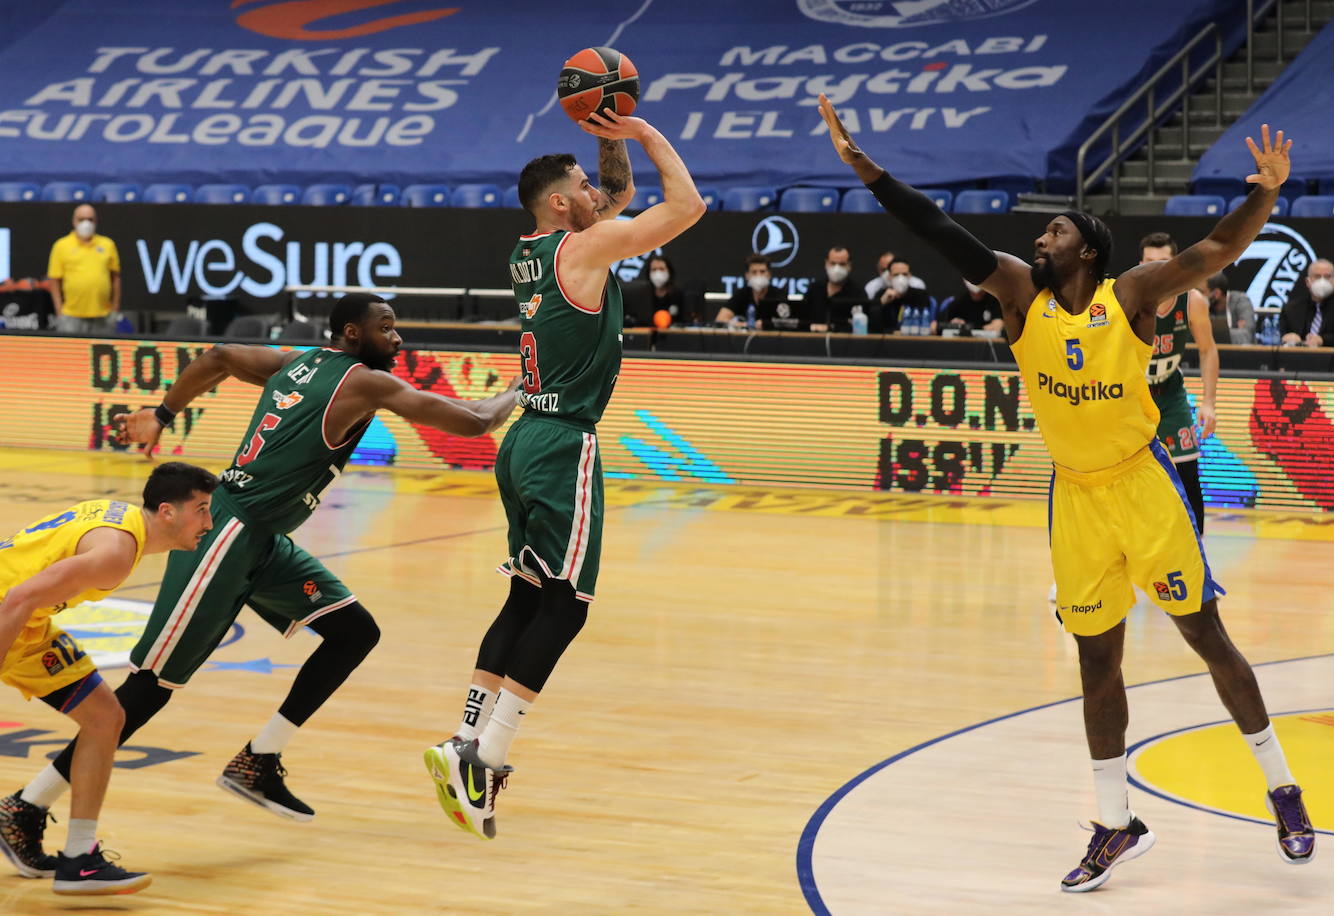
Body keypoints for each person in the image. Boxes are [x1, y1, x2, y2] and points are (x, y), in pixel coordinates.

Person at [819, 98, 1314, 891]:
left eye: (1052, 233)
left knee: (1206, 637)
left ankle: (1283, 789)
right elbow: (941, 232)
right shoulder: (1021, 295)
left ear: (1086, 247)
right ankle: (1115, 824)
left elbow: (1217, 246)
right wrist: (868, 172)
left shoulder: (1132, 296)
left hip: (1143, 485)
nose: (1036, 240)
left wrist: (1265, 193)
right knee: (1096, 663)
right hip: (1075, 498)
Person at [0, 293, 520, 874]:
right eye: (386, 327)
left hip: (264, 537)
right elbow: (475, 421)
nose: (397, 338)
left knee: (353, 632)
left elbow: (220, 354)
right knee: (149, 690)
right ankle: (25, 807)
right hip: (224, 533)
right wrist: (527, 386)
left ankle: (260, 759)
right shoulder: (363, 382)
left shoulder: (294, 362)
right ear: (353, 333)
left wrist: (164, 413)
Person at [422, 110, 703, 841]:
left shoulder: (533, 250)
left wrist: (604, 130)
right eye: (582, 185)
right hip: (563, 443)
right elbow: (687, 206)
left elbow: (613, 192)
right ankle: (487, 757)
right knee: (567, 606)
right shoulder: (586, 246)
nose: (599, 192)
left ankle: (463, 740)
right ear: (560, 203)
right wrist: (641, 130)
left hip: (524, 437)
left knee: (525, 596)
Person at [0, 462, 217, 896]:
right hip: (11, 613)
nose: (209, 523)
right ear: (168, 512)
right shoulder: (116, 555)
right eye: (202, 509)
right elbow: (19, 595)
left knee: (105, 718)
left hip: (29, 624)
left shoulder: (122, 520)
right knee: (105, 719)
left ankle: (79, 858)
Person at [1139, 233, 1218, 533]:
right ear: (1140, 265)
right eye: (1150, 263)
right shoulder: (1128, 298)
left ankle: (1197, 556)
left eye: (1163, 262)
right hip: (1133, 396)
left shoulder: (1192, 300)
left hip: (1170, 392)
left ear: (1175, 263)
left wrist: (1209, 402)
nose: (1157, 269)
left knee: (1188, 472)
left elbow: (1208, 349)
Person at [47, 204, 121, 335]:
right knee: (70, 354)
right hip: (71, 315)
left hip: (103, 315)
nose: (86, 223)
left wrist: (115, 308)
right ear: (74, 221)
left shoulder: (107, 244)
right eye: (81, 219)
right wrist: (59, 310)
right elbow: (54, 280)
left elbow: (115, 277)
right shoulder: (61, 245)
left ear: (96, 222)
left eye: (90, 219)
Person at [1279, 259, 1334, 347]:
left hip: (1333, 357)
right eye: (1317, 276)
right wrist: (1288, 338)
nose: (1322, 281)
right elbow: (1281, 335)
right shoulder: (1291, 309)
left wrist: (1322, 340)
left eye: (1327, 277)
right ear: (1308, 281)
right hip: (1298, 357)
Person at [716, 254, 794, 330]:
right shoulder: (741, 294)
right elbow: (720, 319)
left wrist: (765, 324)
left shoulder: (779, 294)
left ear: (769, 274)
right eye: (754, 272)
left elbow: (786, 322)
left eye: (762, 271)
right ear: (747, 275)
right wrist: (747, 325)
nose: (758, 275)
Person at [802, 246, 867, 332]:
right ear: (826, 263)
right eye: (833, 263)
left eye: (842, 264)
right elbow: (802, 318)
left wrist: (831, 328)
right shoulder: (815, 288)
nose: (837, 268)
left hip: (844, 342)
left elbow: (861, 326)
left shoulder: (858, 292)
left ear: (849, 265)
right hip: (812, 340)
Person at [871, 255, 932, 333]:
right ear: (889, 276)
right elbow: (873, 326)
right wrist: (881, 303)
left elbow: (924, 323)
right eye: (896, 275)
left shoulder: (921, 295)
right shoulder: (882, 294)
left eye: (904, 274)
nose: (900, 278)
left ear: (910, 275)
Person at [1205, 272, 1255, 345]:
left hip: (1241, 354)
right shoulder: (1203, 307)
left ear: (1216, 293)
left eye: (1203, 292)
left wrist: (1207, 333)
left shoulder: (1241, 300)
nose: (1198, 296)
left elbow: (1246, 336)